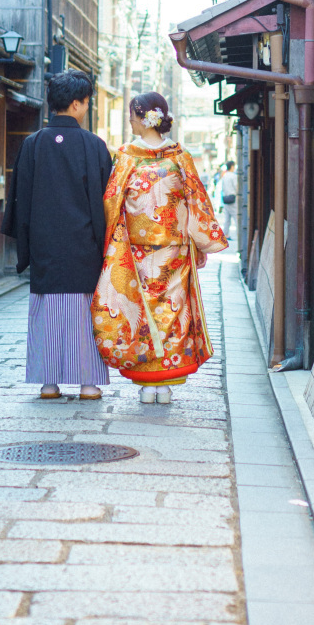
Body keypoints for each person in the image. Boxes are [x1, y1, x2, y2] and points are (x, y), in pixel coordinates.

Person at [92, 91, 227, 404]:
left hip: (137, 250)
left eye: (131, 115)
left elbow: (112, 203)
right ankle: (162, 384)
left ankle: (150, 383)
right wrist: (199, 241)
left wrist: (112, 240)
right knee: (171, 314)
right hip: (175, 250)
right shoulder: (180, 157)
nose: (129, 121)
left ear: (141, 117)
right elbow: (197, 201)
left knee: (142, 314)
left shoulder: (127, 157)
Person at [2, 69, 112, 400]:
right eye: (87, 102)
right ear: (78, 104)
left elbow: (19, 199)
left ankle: (48, 383)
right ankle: (89, 383)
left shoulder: (32, 144)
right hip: (84, 246)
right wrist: (106, 243)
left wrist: (26, 243)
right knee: (82, 313)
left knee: (46, 311)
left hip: (45, 245)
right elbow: (106, 201)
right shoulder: (94, 146)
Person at [220, 160, 237, 238]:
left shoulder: (225, 176)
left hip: (226, 198)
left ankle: (225, 234)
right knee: (236, 217)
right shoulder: (233, 176)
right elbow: (236, 187)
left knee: (227, 218)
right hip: (232, 198)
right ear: (232, 167)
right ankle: (239, 234)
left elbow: (222, 188)